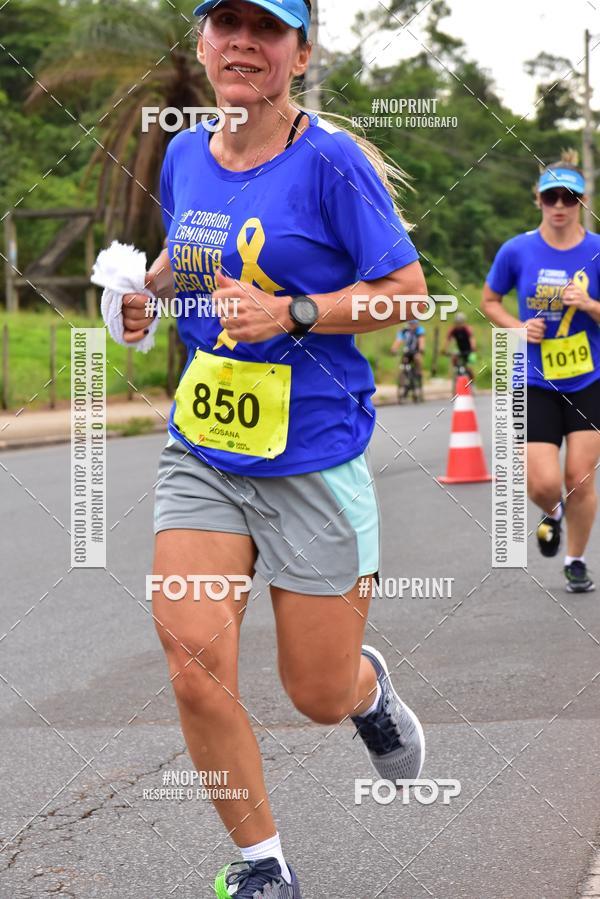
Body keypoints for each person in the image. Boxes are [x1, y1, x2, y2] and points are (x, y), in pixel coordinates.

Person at [115, 1, 427, 895]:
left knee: (316, 693)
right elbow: (189, 250)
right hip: (205, 449)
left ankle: (367, 692)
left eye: (268, 28)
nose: (244, 43)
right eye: (228, 24)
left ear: (300, 51)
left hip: (313, 456)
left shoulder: (329, 161)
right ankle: (265, 866)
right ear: (203, 41)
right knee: (191, 661)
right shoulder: (185, 154)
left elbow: (407, 292)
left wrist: (295, 311)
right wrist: (147, 293)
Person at [482, 150, 600, 593]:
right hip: (532, 379)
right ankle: (552, 512)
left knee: (579, 479)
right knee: (544, 483)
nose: (560, 206)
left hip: (590, 379)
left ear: (582, 201)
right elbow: (490, 300)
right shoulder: (517, 250)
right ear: (538, 200)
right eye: (552, 197)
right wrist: (515, 327)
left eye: (570, 197)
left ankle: (576, 560)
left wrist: (589, 305)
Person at [443, 311, 476, 381]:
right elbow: (448, 339)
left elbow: (472, 339)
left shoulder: (467, 329)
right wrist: (445, 349)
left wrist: (473, 348)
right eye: (457, 323)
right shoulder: (453, 329)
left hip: (468, 350)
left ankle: (472, 381)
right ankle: (455, 373)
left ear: (464, 322)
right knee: (454, 357)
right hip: (460, 349)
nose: (459, 324)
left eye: (460, 323)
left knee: (468, 367)